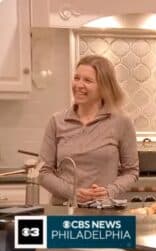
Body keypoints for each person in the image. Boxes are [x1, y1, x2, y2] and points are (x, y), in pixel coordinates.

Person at [39, 55, 139, 205]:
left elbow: (131, 172)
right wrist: (72, 192)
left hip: (103, 214)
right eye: (76, 78)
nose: (79, 85)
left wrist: (109, 191)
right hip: (64, 213)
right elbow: (43, 172)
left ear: (104, 86)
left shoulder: (122, 122)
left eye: (87, 80)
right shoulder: (57, 121)